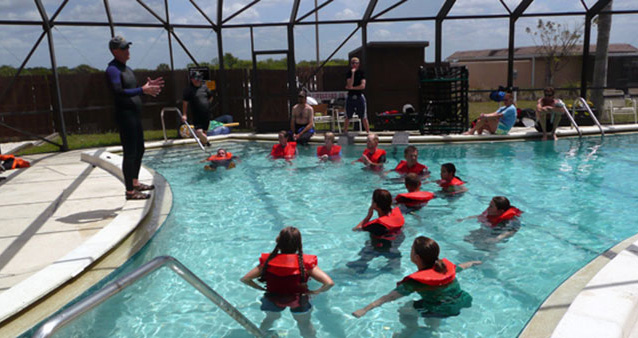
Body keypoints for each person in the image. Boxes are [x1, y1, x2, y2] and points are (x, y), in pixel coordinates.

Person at [352, 237, 480, 330]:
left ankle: (411, 330)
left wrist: (364, 309)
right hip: (462, 301)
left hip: (439, 310)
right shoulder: (445, 267)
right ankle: (434, 330)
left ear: (417, 258)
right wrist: (473, 262)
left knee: (405, 309)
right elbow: (461, 267)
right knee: (435, 303)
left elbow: (388, 297)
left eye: (412, 250)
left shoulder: (416, 282)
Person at [240, 226, 334, 337]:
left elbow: (245, 279)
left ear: (278, 242)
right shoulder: (305, 263)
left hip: (272, 298)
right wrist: (315, 292)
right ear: (299, 243)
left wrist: (260, 288)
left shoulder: (268, 261)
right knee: (304, 324)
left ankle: (259, 335)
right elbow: (329, 283)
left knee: (270, 319)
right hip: (299, 300)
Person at [105, 36, 164, 200]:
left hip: (134, 116)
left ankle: (135, 183)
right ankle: (130, 192)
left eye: (127, 47)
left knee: (140, 150)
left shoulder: (127, 69)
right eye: (124, 48)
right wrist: (142, 90)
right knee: (130, 153)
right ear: (115, 51)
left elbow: (134, 90)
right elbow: (118, 92)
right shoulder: (113, 70)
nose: (127, 51)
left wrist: (147, 88)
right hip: (125, 116)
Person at [348, 189, 405, 273]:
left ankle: (359, 268)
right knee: (393, 262)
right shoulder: (397, 214)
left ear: (375, 204)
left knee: (363, 258)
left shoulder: (377, 224)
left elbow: (356, 229)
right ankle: (394, 267)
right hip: (395, 244)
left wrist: (369, 215)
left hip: (376, 246)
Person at [182, 71, 213, 146]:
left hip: (206, 113)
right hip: (196, 114)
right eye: (196, 79)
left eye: (199, 79)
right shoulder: (188, 90)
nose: (198, 80)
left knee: (204, 131)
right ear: (192, 79)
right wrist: (184, 114)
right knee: (199, 132)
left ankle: (204, 146)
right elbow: (185, 103)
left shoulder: (204, 87)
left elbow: (211, 97)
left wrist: (207, 104)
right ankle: (208, 143)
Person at [344, 57, 370, 133]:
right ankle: (345, 132)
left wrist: (352, 88)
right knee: (347, 117)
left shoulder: (362, 73)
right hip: (350, 97)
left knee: (364, 117)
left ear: (359, 64)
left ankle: (368, 132)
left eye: (356, 63)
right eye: (353, 63)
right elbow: (349, 84)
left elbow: (362, 86)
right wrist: (353, 74)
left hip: (359, 96)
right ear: (350, 64)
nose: (354, 64)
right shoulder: (349, 73)